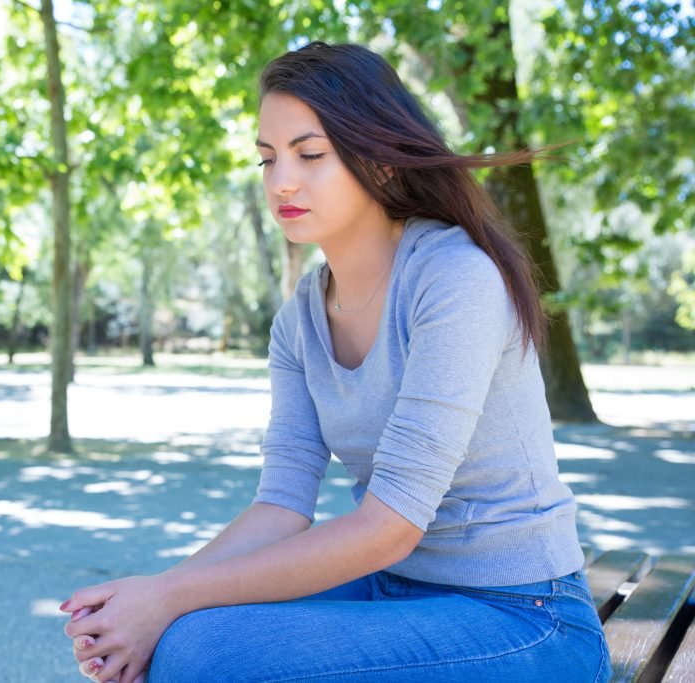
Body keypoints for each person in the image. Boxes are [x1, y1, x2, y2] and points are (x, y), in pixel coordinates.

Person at [61, 41, 611, 683]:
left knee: (202, 655)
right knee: (177, 637)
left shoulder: (454, 278)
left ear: (380, 160)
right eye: (268, 158)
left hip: (525, 616)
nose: (281, 182)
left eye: (310, 154)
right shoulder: (299, 320)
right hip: (395, 588)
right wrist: (151, 600)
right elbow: (280, 507)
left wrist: (169, 599)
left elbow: (390, 527)